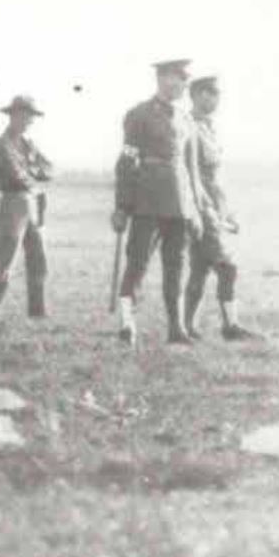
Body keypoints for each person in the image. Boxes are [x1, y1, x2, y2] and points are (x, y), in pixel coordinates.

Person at [113, 58, 205, 345]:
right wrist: (122, 206)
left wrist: (197, 211)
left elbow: (191, 170)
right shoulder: (138, 115)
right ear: (163, 79)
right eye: (179, 79)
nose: (183, 85)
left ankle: (176, 329)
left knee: (175, 266)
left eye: (184, 79)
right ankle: (127, 324)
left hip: (179, 204)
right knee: (137, 264)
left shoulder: (186, 120)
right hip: (147, 201)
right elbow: (126, 162)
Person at [183, 76, 257, 341]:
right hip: (200, 208)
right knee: (227, 267)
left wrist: (228, 212)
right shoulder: (187, 126)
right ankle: (230, 327)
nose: (215, 99)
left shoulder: (210, 128)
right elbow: (190, 174)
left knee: (200, 268)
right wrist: (204, 210)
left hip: (215, 205)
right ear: (197, 95)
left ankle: (187, 327)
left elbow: (217, 177)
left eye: (217, 94)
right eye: (210, 93)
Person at [0, 95, 53, 320]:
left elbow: (49, 168)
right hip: (13, 204)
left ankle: (37, 310)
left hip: (32, 202)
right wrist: (35, 172)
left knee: (38, 259)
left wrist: (34, 172)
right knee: (5, 259)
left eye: (31, 117)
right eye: (25, 116)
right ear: (13, 115)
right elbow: (17, 176)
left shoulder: (27, 143)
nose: (29, 121)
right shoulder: (2, 144)